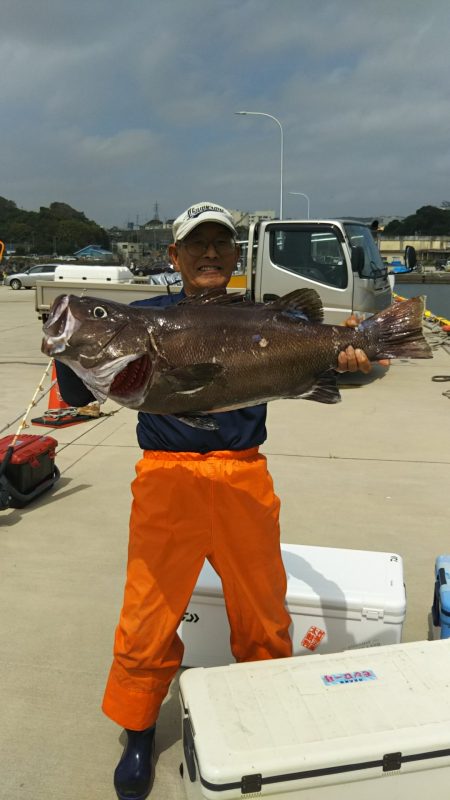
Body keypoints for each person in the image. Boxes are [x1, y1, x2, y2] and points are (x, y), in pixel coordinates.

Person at [55, 201, 378, 800]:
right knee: (148, 614)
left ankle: (267, 713)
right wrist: (67, 346)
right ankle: (138, 729)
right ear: (173, 256)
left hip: (243, 475)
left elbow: (326, 365)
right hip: (165, 479)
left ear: (236, 257)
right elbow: (78, 392)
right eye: (196, 245)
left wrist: (353, 359)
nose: (209, 254)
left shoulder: (264, 316)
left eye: (221, 245)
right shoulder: (141, 317)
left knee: (263, 611)